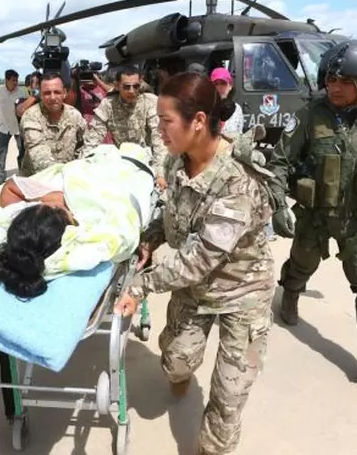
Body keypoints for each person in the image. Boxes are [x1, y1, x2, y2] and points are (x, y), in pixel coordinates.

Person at [115, 72, 275, 455]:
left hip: (244, 292)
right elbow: (173, 220)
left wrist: (139, 286)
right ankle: (182, 374)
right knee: (175, 361)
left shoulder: (237, 180)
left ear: (198, 121)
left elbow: (200, 258)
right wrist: (150, 240)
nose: (159, 129)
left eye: (166, 121)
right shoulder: (177, 162)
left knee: (228, 396)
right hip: (195, 289)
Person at [267, 39, 357, 401]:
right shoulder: (307, 116)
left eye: (345, 81)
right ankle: (290, 294)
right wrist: (277, 205)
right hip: (315, 217)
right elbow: (279, 163)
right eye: (330, 79)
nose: (335, 87)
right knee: (301, 266)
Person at [0, 142, 157, 300]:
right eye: (58, 209)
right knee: (129, 153)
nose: (55, 204)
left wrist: (43, 196)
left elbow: (10, 186)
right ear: (67, 230)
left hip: (88, 167)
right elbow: (123, 231)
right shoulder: (87, 228)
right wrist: (60, 199)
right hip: (121, 173)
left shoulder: (21, 223)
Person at [81, 65, 168, 184]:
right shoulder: (108, 105)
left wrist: (160, 174)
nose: (132, 91)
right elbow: (93, 140)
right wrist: (81, 166)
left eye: (136, 86)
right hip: (122, 163)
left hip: (149, 164)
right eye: (126, 87)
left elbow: (159, 140)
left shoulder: (150, 102)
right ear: (117, 86)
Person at [18, 72, 87, 176]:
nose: (52, 97)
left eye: (57, 92)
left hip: (69, 177)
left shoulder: (74, 115)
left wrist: (78, 166)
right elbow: (39, 157)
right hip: (37, 179)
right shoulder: (31, 117)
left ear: (64, 93)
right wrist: (62, 177)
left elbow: (86, 144)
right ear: (40, 95)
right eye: (47, 93)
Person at [0, 69, 26, 184]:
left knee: (22, 150)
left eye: (16, 80)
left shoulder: (22, 92)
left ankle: (23, 172)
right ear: (6, 80)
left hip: (18, 126)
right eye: (13, 80)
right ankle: (0, 174)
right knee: (1, 151)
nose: (15, 83)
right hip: (4, 126)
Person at [209, 67, 244, 137]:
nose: (219, 87)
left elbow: (239, 133)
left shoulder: (237, 109)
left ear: (230, 86)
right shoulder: (207, 107)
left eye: (223, 83)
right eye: (216, 84)